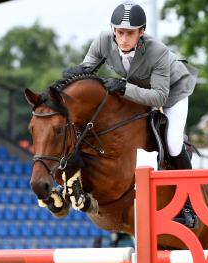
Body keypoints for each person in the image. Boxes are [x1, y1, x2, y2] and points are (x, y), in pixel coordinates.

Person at [64, 2, 199, 228]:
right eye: (119, 32)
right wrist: (68, 79)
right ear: (113, 30)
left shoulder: (157, 52)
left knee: (173, 143)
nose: (123, 39)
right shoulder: (103, 41)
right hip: (137, 88)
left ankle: (189, 205)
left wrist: (123, 87)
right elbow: (85, 71)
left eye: (130, 33)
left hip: (173, 92)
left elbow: (159, 98)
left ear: (142, 32)